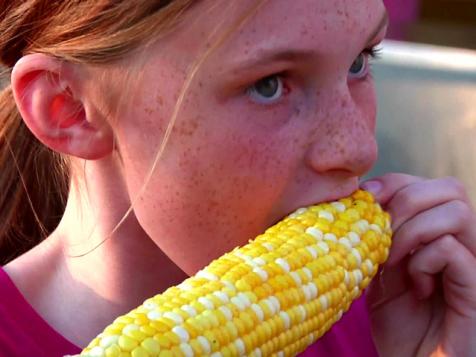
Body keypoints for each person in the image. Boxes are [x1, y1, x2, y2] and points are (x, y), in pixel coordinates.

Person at [0, 1, 475, 356]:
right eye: (269, 85)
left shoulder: (397, 313)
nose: (357, 148)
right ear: (70, 111)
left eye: (359, 62)